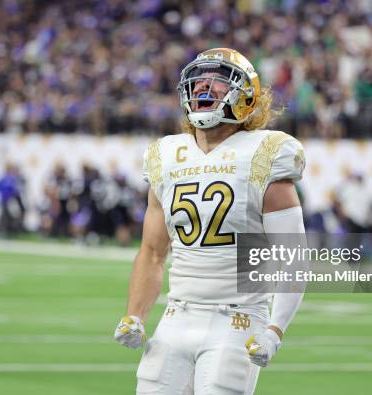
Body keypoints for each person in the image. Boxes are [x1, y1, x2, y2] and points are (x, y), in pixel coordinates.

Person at [114, 48, 306, 394]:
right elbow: (153, 252)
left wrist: (275, 330)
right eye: (198, 79)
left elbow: (290, 256)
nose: (204, 86)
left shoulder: (265, 153)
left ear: (245, 94)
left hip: (237, 320)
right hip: (176, 316)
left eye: (218, 79)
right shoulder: (168, 155)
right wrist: (136, 315)